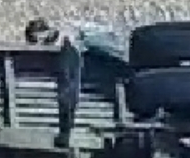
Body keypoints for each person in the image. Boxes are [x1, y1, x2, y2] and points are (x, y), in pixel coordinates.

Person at [23, 18, 129, 146]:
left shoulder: (68, 39)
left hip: (98, 44)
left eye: (38, 39)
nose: (38, 44)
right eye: (34, 41)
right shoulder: (63, 41)